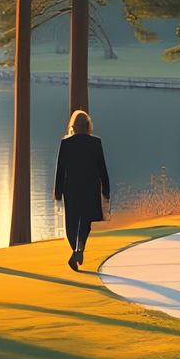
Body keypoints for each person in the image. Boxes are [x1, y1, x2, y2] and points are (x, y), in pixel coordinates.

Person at [53, 109, 110, 271]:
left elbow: (60, 170)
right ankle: (79, 250)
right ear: (88, 125)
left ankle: (75, 250)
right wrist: (106, 189)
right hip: (90, 188)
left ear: (73, 126)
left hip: (71, 189)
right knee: (86, 221)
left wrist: (57, 191)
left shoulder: (66, 144)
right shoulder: (96, 143)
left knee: (71, 223)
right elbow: (102, 168)